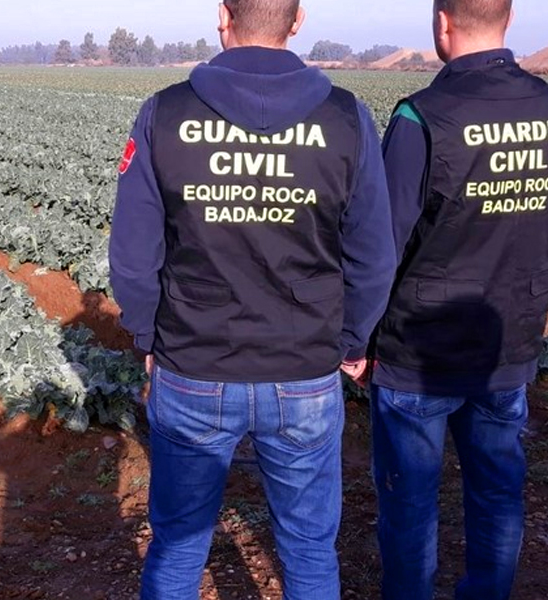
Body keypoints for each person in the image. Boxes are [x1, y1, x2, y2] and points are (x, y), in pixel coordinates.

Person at [108, 1, 395, 597]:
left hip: (192, 366)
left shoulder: (167, 112)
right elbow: (374, 255)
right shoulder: (345, 118)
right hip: (305, 371)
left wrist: (147, 337)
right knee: (311, 549)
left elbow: (133, 254)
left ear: (223, 17)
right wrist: (350, 340)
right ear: (297, 21)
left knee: (179, 543)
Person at [365, 1, 548, 599]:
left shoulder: (422, 118)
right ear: (507, 23)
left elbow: (384, 243)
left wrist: (357, 335)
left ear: (442, 23)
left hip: (420, 349)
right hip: (507, 341)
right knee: (497, 491)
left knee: (409, 504)